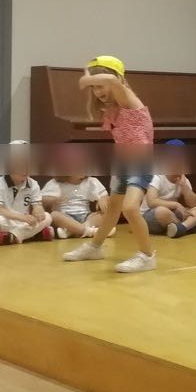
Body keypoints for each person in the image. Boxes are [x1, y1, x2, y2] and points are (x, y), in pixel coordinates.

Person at [62, 56, 156, 272]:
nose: (96, 91)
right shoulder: (113, 107)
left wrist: (86, 79)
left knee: (130, 208)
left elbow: (113, 81)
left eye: (99, 85)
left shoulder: (127, 96)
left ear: (117, 79)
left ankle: (147, 256)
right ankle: (95, 247)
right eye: (93, 87)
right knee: (113, 208)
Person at [0, 141, 53, 247]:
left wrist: (39, 210)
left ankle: (11, 236)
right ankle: (33, 235)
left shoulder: (33, 184)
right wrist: (21, 217)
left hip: (25, 222)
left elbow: (37, 205)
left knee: (47, 217)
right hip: (9, 220)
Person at [142, 141, 196, 239]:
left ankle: (180, 228)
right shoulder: (158, 176)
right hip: (151, 216)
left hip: (173, 215)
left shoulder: (183, 179)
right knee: (162, 211)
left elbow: (194, 204)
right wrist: (176, 204)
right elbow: (151, 202)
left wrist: (185, 187)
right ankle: (191, 226)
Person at [41, 163, 111, 240]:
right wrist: (54, 199)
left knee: (104, 215)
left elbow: (105, 196)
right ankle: (89, 231)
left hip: (86, 216)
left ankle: (71, 231)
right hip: (65, 217)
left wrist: (102, 199)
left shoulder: (91, 181)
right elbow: (42, 200)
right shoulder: (55, 183)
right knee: (54, 215)